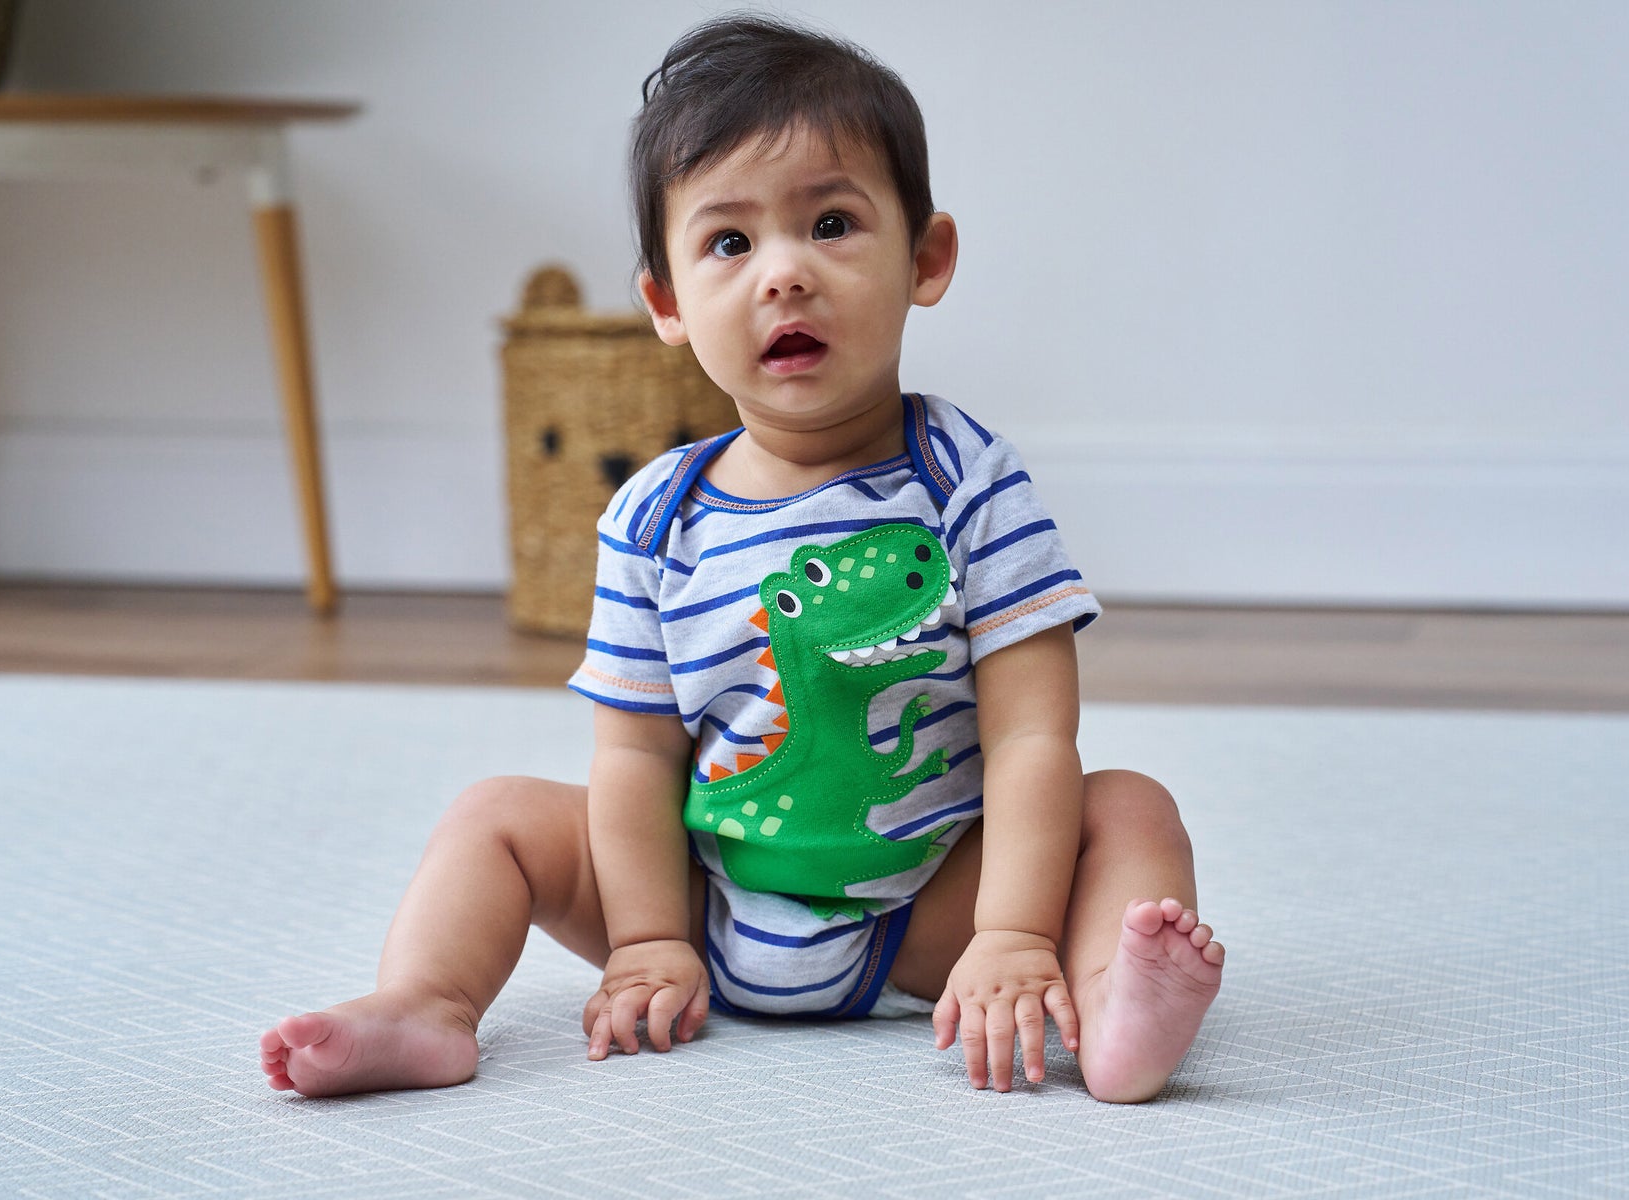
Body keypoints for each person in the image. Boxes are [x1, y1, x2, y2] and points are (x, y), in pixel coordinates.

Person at [259, 14, 1222, 1103]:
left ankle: (1108, 1005)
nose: (785, 274)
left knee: (1129, 806)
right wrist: (646, 939)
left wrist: (1010, 932)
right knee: (495, 816)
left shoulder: (966, 477)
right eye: (729, 243)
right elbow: (634, 756)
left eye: (831, 224)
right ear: (667, 303)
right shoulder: (653, 516)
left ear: (926, 258)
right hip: (702, 905)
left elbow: (1032, 731)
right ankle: (425, 1003)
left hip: (926, 911)